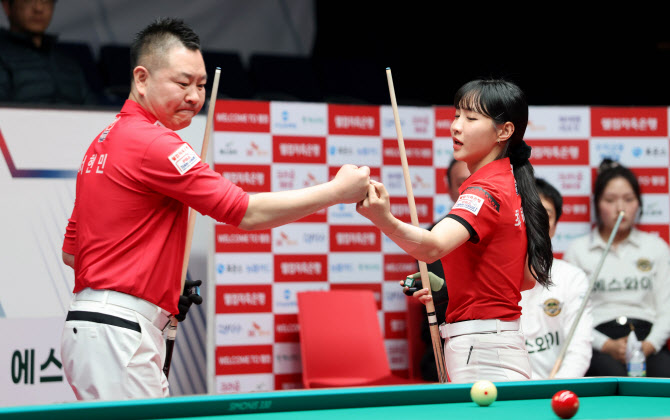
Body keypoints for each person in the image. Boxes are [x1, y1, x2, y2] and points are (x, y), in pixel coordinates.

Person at [60, 17, 370, 401]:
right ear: (142, 79)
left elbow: (72, 254)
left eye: (201, 85)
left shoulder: (102, 142)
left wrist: (159, 284)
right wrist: (337, 191)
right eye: (182, 83)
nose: (194, 96)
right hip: (119, 334)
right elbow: (245, 212)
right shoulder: (156, 144)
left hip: (99, 327)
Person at [358, 79, 553, 383]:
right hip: (497, 343)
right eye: (456, 115)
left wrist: (383, 218)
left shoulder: (485, 189)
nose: (456, 126)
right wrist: (447, 286)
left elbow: (432, 247)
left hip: (481, 349)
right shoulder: (512, 184)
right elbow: (524, 279)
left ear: (504, 131)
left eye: (471, 118)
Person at [564, 159, 670, 377]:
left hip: (647, 338)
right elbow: (572, 317)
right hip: (600, 341)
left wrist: (648, 345)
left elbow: (666, 311)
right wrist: (606, 345)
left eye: (629, 199)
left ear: (639, 204)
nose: (620, 208)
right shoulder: (578, 251)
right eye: (610, 200)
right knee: (608, 375)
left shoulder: (656, 247)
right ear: (597, 204)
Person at [520, 178, 592, 379]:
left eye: (546, 215)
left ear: (555, 226)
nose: (536, 221)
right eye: (528, 212)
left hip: (556, 391)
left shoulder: (572, 278)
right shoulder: (491, 277)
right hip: (509, 394)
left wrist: (556, 387)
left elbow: (579, 348)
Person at [416, 158, 469, 381]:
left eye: (477, 183)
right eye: (462, 183)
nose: (470, 190)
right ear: (448, 189)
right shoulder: (433, 238)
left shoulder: (505, 229)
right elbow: (441, 299)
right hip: (450, 346)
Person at [0, 0, 95, 104]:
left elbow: (96, 113)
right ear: (7, 6)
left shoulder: (69, 65)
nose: (39, 9)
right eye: (28, 1)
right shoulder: (3, 57)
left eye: (46, 1)